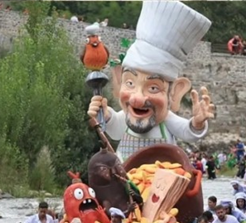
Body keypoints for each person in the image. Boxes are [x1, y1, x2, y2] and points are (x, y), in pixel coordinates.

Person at [86, 2, 213, 162]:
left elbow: (188, 132)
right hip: (127, 181)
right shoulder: (126, 117)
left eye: (153, 88)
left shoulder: (167, 120)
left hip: (163, 181)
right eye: (130, 84)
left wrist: (197, 123)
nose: (137, 98)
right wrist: (105, 115)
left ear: (174, 94)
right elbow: (115, 130)